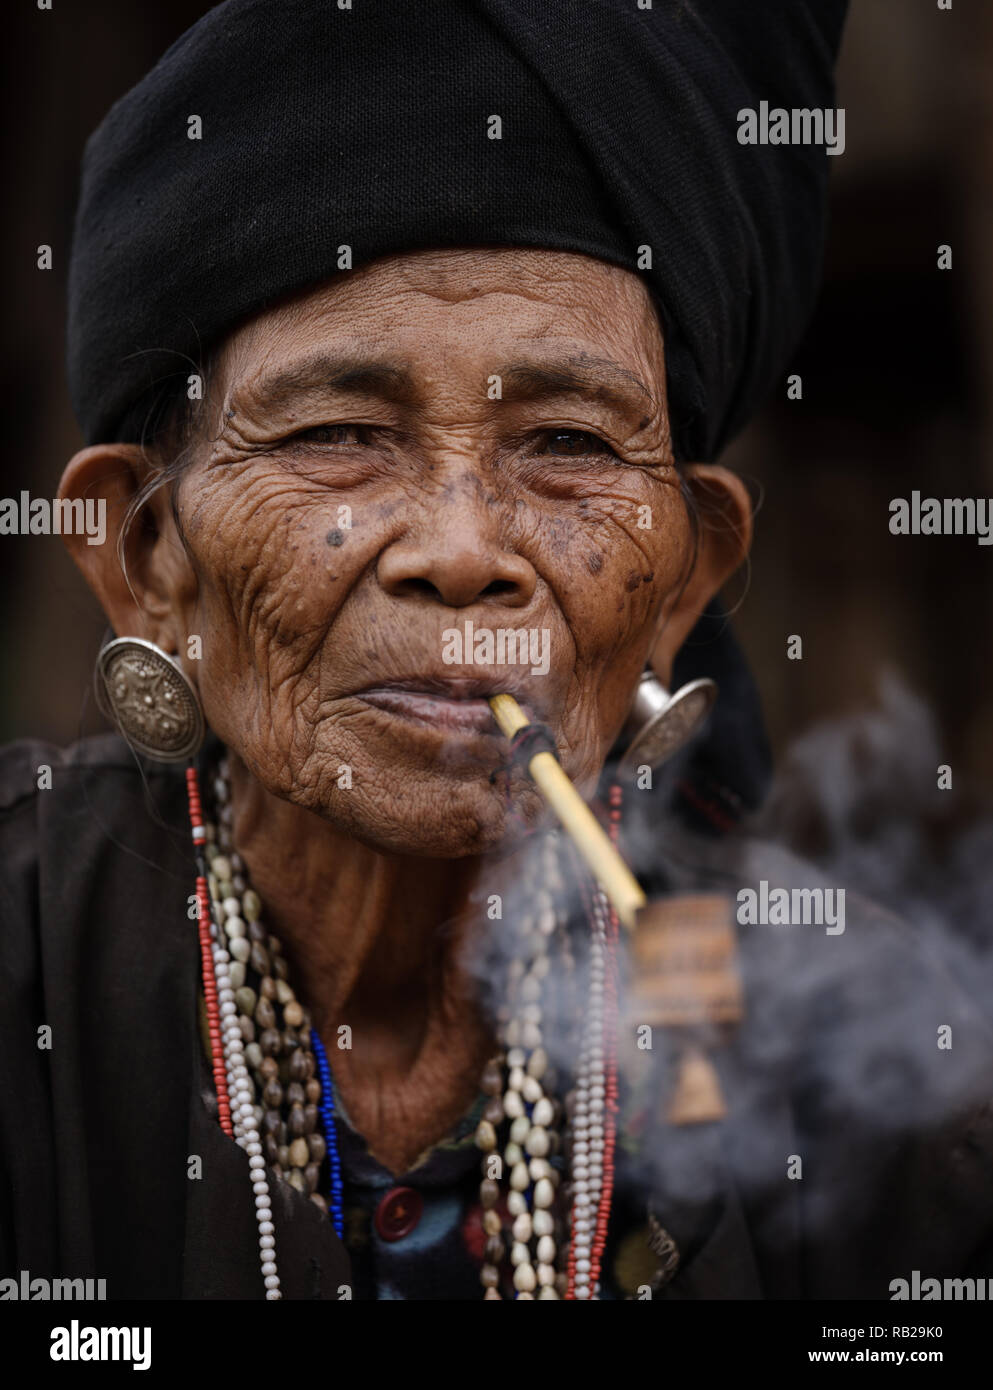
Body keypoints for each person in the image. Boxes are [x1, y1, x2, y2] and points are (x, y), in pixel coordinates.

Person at [5, 0, 992, 1302]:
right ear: (144, 556)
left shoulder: (878, 1071)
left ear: (679, 579)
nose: (463, 550)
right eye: (333, 434)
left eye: (569, 445)